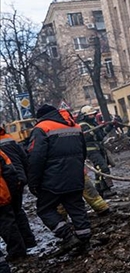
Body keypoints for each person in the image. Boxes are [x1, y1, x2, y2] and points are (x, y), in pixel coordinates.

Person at [27, 104, 90, 255]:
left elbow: (36, 158)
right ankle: (85, 240)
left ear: (40, 116)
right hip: (75, 176)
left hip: (52, 180)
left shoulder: (41, 128)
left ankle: (68, 236)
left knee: (45, 209)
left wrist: (33, 182)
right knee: (76, 207)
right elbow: (83, 151)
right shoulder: (74, 126)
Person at [0, 126, 36, 253]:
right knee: (17, 211)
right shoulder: (9, 139)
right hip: (18, 179)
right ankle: (28, 241)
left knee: (7, 217)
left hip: (7, 183)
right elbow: (24, 157)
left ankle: (18, 249)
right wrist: (26, 176)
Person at [77, 106, 115, 198]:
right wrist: (96, 129)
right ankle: (106, 190)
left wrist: (109, 127)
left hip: (99, 148)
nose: (92, 116)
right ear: (84, 116)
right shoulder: (82, 125)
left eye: (93, 114)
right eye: (90, 115)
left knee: (99, 170)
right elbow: (86, 137)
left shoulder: (94, 123)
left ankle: (99, 190)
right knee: (103, 168)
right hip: (91, 150)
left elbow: (101, 136)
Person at [0, 149, 27, 262]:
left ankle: (17, 252)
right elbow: (10, 172)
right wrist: (12, 192)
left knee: (6, 224)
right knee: (8, 223)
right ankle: (21, 248)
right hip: (2, 195)